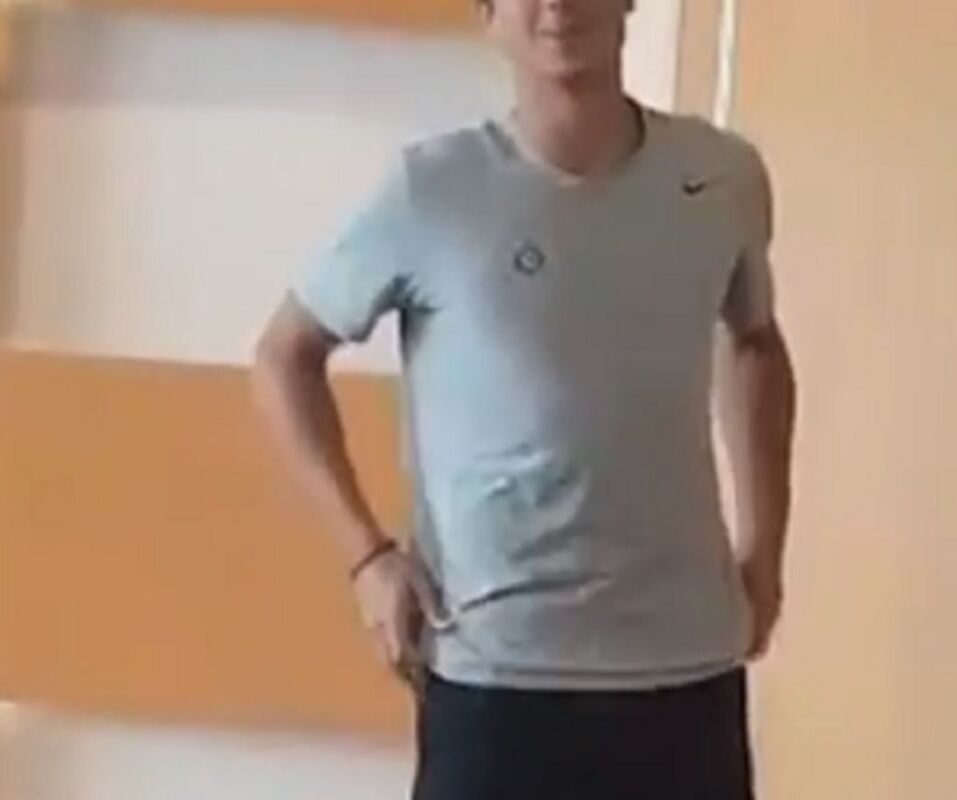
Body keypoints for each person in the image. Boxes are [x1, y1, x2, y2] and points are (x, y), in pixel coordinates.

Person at [251, 0, 796, 797]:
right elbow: (284, 358)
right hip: (495, 677)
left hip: (685, 671)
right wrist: (367, 557)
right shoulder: (431, 191)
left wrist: (765, 555)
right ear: (490, 14)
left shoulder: (722, 176)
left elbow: (755, 343)